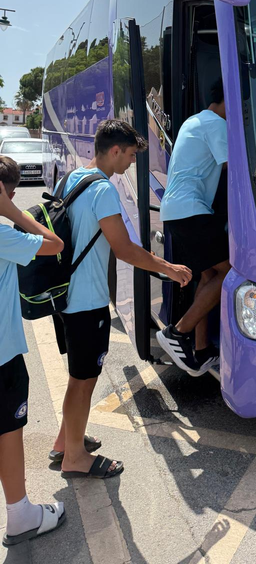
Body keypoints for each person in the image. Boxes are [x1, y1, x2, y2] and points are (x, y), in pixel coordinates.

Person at [52, 120, 192, 480]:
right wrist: (168, 268)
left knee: (78, 376)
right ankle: (75, 458)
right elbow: (125, 249)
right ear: (114, 150)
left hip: (64, 295)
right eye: (130, 155)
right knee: (84, 380)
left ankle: (65, 442)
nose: (131, 162)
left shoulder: (70, 179)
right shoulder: (103, 188)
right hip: (87, 301)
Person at [0, 156, 66, 546]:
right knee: (8, 431)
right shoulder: (3, 235)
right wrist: (12, 213)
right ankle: (20, 515)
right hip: (3, 355)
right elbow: (55, 244)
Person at [157, 78, 230, 376]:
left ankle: (202, 349)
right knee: (229, 273)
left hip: (176, 211)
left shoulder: (194, 120)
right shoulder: (217, 125)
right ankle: (178, 332)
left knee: (209, 275)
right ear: (229, 100)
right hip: (192, 211)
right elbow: (234, 168)